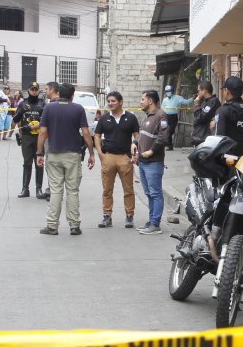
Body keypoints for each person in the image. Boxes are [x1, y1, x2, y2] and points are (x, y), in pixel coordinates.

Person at [36, 82, 96, 235]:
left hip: (54, 153)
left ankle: (52, 225)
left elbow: (42, 132)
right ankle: (74, 225)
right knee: (72, 191)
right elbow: (86, 133)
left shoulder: (49, 108)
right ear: (72, 95)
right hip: (73, 155)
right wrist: (91, 153)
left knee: (56, 190)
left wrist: (39, 153)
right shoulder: (78, 109)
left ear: (59, 93)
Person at [95, 91, 140, 229]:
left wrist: (135, 148)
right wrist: (100, 154)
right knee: (107, 189)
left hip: (124, 158)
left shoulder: (131, 118)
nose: (110, 103)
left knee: (128, 189)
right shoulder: (104, 119)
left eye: (113, 101)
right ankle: (107, 216)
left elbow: (137, 135)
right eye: (108, 101)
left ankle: (129, 216)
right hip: (108, 157)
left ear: (121, 102)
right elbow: (97, 136)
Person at [135, 89, 170, 235]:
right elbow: (142, 137)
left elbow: (163, 137)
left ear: (150, 101)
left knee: (155, 193)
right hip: (143, 162)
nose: (140, 102)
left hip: (153, 162)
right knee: (149, 193)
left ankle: (155, 224)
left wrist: (152, 151)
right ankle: (151, 221)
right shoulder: (148, 117)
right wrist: (136, 149)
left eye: (143, 99)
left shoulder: (161, 115)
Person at [15, 82, 47, 199]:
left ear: (38, 91)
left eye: (36, 89)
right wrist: (21, 111)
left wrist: (37, 123)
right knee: (27, 163)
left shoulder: (43, 104)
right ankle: (25, 189)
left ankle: (39, 189)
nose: (34, 91)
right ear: (28, 90)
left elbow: (47, 121)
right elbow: (15, 119)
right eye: (32, 89)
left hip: (40, 137)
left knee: (39, 163)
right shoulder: (23, 104)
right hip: (27, 137)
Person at [191, 80, 221, 147]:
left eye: (199, 90)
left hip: (205, 139)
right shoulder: (205, 102)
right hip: (200, 137)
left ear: (204, 90)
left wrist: (197, 105)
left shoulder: (213, 102)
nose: (198, 93)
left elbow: (200, 118)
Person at [162, 84, 188, 151]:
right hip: (166, 117)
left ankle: (168, 144)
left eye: (169, 91)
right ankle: (169, 146)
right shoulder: (165, 100)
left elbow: (184, 101)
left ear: (172, 91)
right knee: (167, 131)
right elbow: (162, 109)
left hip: (174, 117)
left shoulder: (177, 98)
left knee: (171, 131)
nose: (168, 92)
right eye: (167, 91)